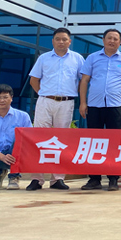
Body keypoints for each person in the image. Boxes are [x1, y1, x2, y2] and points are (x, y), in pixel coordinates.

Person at [26, 27, 84, 191]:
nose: (61, 42)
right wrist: (44, 94)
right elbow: (34, 80)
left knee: (61, 140)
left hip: (66, 102)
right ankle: (37, 178)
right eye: (58, 39)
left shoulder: (77, 59)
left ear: (69, 42)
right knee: (39, 138)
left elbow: (83, 81)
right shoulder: (44, 58)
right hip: (45, 101)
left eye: (64, 39)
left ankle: (57, 179)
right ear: (53, 41)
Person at [79, 29, 121, 191]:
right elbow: (84, 81)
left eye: (116, 39)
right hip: (94, 106)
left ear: (120, 42)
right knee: (94, 142)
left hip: (115, 106)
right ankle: (94, 179)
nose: (112, 41)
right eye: (109, 38)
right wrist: (83, 103)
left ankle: (113, 179)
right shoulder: (92, 58)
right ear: (103, 40)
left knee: (114, 143)